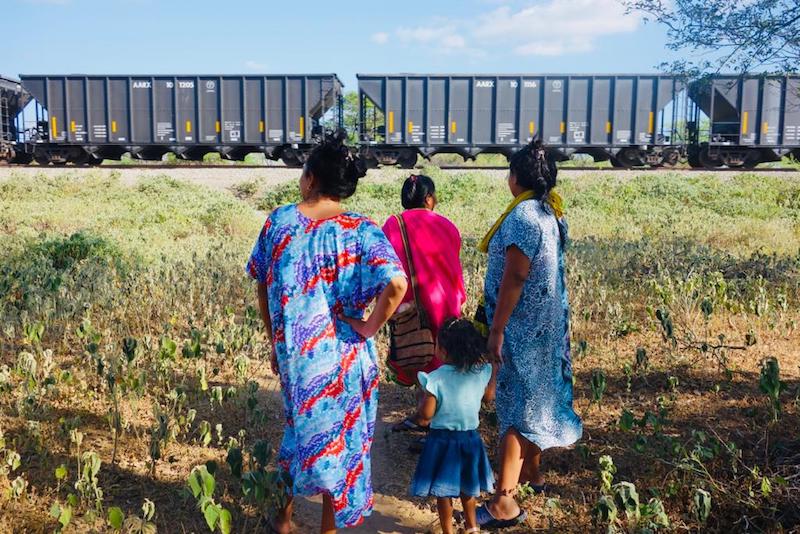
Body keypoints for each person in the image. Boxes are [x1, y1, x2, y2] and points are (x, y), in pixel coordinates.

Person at [246, 132, 408, 533]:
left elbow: (263, 285)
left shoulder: (280, 223)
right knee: (346, 448)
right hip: (349, 357)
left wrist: (276, 342)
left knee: (296, 433)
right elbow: (398, 285)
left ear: (311, 179)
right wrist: (369, 326)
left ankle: (283, 520)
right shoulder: (363, 230)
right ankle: (328, 529)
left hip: (300, 358)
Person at [476, 140, 583, 529]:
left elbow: (516, 276)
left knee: (515, 411)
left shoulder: (522, 216)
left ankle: (503, 502)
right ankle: (533, 475)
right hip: (546, 325)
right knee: (536, 401)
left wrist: (498, 329)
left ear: (515, 177)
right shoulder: (549, 212)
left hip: (523, 328)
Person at [382, 175, 466, 434]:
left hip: (411, 307)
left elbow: (386, 267)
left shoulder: (393, 224)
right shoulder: (448, 226)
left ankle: (427, 417)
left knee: (419, 354)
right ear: (429, 199)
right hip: (446, 303)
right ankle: (435, 421)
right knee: (443, 360)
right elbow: (454, 265)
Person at [409, 318, 495, 534]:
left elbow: (425, 416)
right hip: (470, 440)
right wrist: (494, 372)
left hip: (442, 443)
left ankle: (447, 530)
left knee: (443, 491)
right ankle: (472, 526)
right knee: (469, 488)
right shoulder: (480, 372)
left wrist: (422, 400)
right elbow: (488, 397)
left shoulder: (435, 379)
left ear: (443, 350)